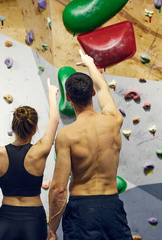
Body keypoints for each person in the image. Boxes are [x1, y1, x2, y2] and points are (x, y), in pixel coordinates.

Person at [47, 50, 132, 240]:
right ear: (91, 93)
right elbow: (103, 89)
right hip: (112, 206)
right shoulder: (113, 121)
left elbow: (59, 189)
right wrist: (90, 63)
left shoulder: (67, 135)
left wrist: (52, 229)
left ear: (68, 98)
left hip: (81, 211)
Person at [0, 78, 59, 240]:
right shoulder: (39, 151)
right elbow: (54, 120)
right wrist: (52, 93)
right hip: (34, 219)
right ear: (34, 129)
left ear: (13, 127)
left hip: (6, 218)